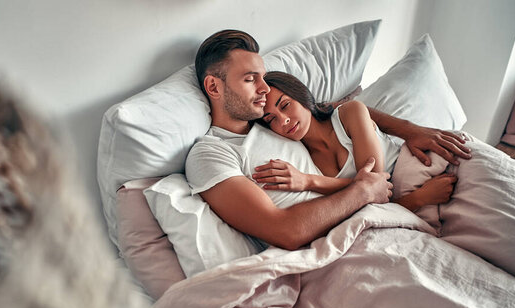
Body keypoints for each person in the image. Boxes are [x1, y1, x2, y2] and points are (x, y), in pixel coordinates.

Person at [185, 29, 471, 251]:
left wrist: (409, 129)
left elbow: (335, 110)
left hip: (395, 193)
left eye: (262, 78)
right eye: (251, 79)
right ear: (214, 86)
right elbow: (286, 232)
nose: (263, 88)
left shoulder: (271, 124)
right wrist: (364, 191)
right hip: (356, 232)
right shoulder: (211, 153)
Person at [254, 71, 460, 212]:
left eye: (285, 105)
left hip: (430, 166)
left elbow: (375, 185)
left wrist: (308, 181)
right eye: (271, 119)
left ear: (301, 95)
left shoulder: (349, 113)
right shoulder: (303, 157)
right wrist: (419, 199)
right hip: (411, 203)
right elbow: (368, 202)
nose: (283, 120)